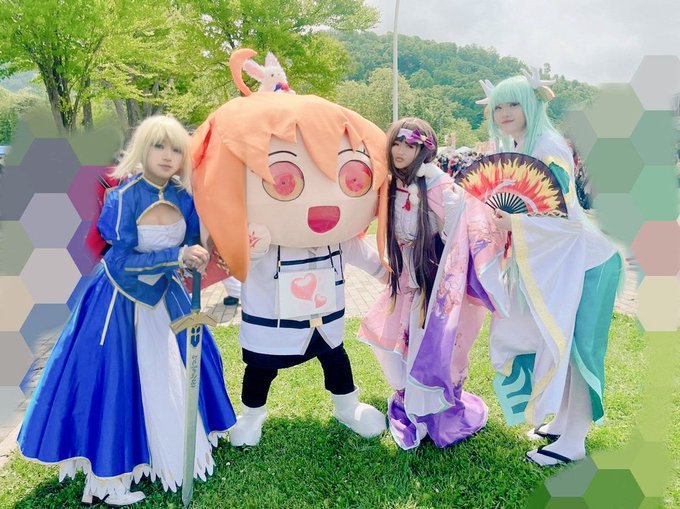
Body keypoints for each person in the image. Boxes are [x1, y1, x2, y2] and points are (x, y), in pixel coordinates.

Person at [17, 115, 236, 505]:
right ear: (142, 149)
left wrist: (196, 257)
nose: (167, 156)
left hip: (168, 299)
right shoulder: (123, 197)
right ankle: (106, 482)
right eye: (158, 146)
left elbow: (190, 244)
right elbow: (120, 260)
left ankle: (173, 451)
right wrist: (176, 256)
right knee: (114, 382)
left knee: (182, 368)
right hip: (118, 301)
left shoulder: (184, 197)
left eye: (176, 149)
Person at [190, 52, 390, 447]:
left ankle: (346, 406)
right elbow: (235, 262)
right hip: (272, 317)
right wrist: (248, 247)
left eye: (351, 178)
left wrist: (391, 277)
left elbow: (365, 257)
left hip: (323, 318)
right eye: (285, 181)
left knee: (335, 357)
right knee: (261, 368)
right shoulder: (261, 239)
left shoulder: (338, 238)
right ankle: (252, 416)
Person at [481, 70, 621, 466]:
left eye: (513, 103)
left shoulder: (547, 146)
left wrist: (516, 224)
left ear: (533, 103)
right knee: (561, 343)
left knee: (580, 352)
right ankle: (561, 422)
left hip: (589, 262)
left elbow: (565, 217)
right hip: (567, 261)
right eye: (498, 106)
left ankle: (574, 441)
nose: (504, 112)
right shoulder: (523, 144)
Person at [358, 118, 508, 450]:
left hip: (435, 285)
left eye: (409, 145)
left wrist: (458, 223)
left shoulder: (443, 188)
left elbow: (465, 238)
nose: (400, 151)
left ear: (424, 150)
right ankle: (408, 399)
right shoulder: (391, 184)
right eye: (396, 143)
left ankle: (429, 412)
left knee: (429, 350)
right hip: (405, 280)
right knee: (385, 339)